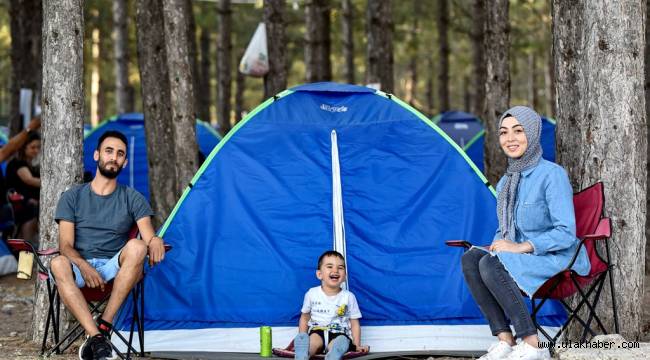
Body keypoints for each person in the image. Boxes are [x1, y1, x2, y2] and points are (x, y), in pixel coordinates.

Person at [461, 106, 590, 360]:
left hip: (557, 257)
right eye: (504, 132)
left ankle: (532, 343)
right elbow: (506, 229)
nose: (510, 139)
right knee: (471, 259)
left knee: (490, 264)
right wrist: (500, 243)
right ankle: (505, 340)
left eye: (518, 131)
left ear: (532, 133)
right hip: (521, 258)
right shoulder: (506, 182)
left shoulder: (552, 175)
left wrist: (520, 247)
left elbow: (566, 233)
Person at [49, 130, 166, 360]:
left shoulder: (133, 198)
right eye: (109, 151)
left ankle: (103, 327)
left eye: (120, 154)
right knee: (58, 262)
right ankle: (98, 340)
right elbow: (65, 245)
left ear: (125, 162)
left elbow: (148, 236)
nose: (114, 157)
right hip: (78, 268)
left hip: (114, 268)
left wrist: (156, 239)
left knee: (138, 246)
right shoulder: (72, 197)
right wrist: (83, 266)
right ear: (96, 155)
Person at [294, 250, 369, 360]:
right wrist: (303, 335)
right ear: (319, 274)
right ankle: (303, 353)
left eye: (340, 268)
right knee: (312, 342)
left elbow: (354, 323)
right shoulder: (312, 293)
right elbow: (304, 318)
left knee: (340, 343)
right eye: (330, 266)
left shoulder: (348, 297)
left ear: (345, 276)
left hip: (339, 333)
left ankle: (333, 354)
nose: (335, 270)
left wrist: (356, 345)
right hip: (317, 330)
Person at [5, 132, 41, 243]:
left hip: (28, 208)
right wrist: (51, 183)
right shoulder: (18, 163)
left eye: (38, 147)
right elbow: (29, 180)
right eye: (32, 147)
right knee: (26, 242)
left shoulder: (29, 164)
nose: (36, 150)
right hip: (23, 208)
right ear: (23, 147)